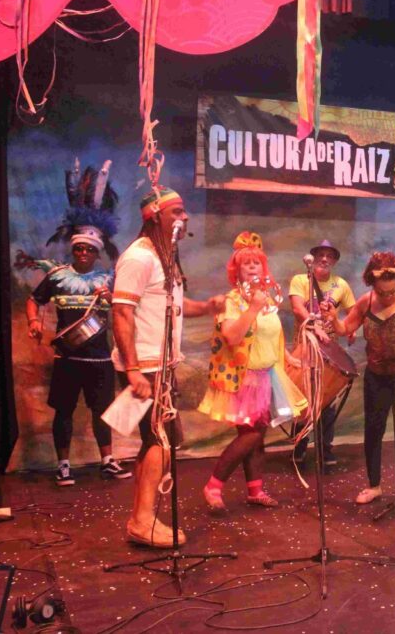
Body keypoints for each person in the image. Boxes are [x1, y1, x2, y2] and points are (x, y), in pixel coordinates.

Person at [112, 186, 224, 547]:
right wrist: (133, 370)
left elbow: (172, 305)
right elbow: (122, 312)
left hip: (159, 364)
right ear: (155, 216)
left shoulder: (164, 257)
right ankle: (142, 520)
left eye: (184, 211)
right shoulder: (139, 257)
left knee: (156, 440)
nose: (185, 217)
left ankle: (141, 516)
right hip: (145, 364)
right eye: (176, 211)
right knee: (163, 439)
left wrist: (206, 307)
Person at [198, 233, 307, 512]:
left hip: (268, 375)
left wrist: (287, 357)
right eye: (246, 263)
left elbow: (271, 334)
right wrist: (254, 307)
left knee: (257, 435)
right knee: (251, 435)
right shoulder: (232, 301)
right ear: (236, 270)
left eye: (256, 262)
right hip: (244, 378)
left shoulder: (267, 299)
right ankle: (213, 485)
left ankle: (255, 490)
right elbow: (232, 337)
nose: (252, 267)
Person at [26, 226, 131, 486]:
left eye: (90, 249)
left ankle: (107, 461)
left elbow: (125, 310)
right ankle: (63, 466)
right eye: (79, 248)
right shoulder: (58, 276)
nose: (84, 253)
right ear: (73, 250)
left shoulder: (108, 279)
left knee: (102, 411)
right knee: (64, 411)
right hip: (67, 359)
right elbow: (33, 300)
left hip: (100, 359)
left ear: (97, 253)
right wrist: (33, 321)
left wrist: (111, 298)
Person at [330, 252, 395, 504]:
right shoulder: (366, 302)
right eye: (381, 292)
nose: (386, 296)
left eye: (391, 291)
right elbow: (345, 328)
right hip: (378, 375)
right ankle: (374, 485)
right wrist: (333, 319)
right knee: (373, 430)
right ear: (372, 283)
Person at [288, 239, 356, 467]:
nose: (324, 259)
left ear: (334, 260)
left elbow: (353, 312)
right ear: (313, 257)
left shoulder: (341, 285)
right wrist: (313, 325)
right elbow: (297, 308)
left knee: (328, 401)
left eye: (329, 256)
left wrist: (349, 329)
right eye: (320, 255)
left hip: (329, 351)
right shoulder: (301, 280)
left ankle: (325, 450)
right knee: (303, 398)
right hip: (305, 347)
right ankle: (298, 447)